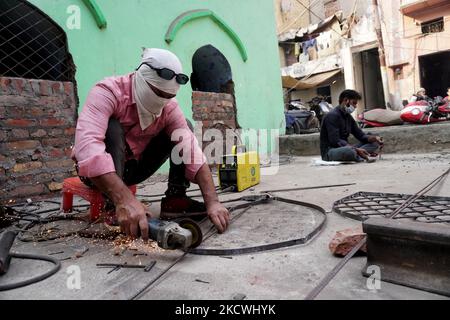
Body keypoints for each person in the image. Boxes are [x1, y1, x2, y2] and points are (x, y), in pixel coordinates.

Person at [72, 48, 230, 240]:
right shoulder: (108, 92)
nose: (162, 101)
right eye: (157, 93)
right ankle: (114, 207)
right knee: (111, 127)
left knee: (183, 129)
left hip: (134, 168)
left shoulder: (169, 108)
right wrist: (125, 199)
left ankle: (175, 199)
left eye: (168, 96)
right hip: (97, 176)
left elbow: (192, 151)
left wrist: (212, 202)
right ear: (142, 79)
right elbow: (87, 148)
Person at [320, 90, 384, 162]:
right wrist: (355, 149)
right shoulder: (332, 116)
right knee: (349, 152)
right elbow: (335, 141)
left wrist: (375, 138)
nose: (355, 106)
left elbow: (361, 135)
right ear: (346, 100)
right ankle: (359, 155)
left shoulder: (348, 117)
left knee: (374, 142)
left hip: (347, 147)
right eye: (354, 103)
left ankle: (359, 154)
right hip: (331, 151)